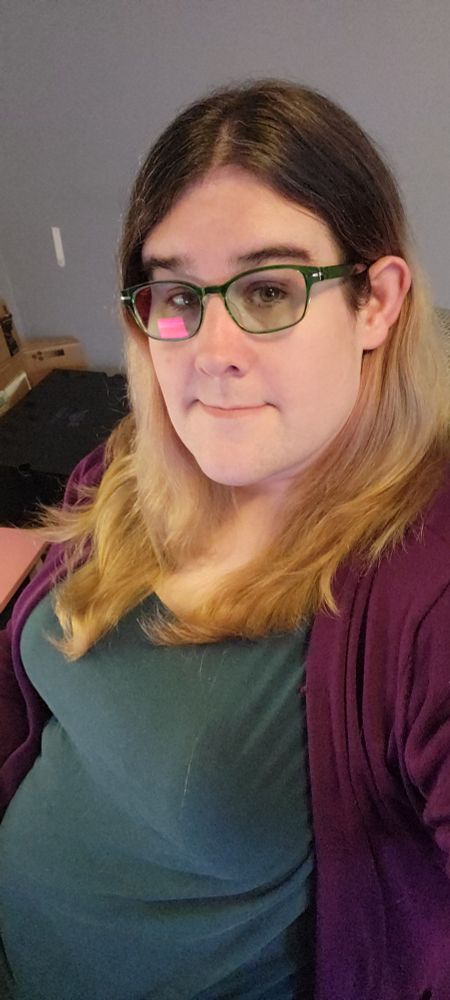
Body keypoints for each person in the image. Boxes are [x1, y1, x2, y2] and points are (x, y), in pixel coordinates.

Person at [0, 79, 449, 1000]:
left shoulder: (425, 586)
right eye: (176, 294)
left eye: (271, 289)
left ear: (376, 301)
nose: (211, 350)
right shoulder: (137, 461)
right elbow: (46, 626)